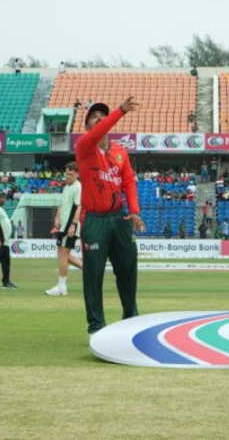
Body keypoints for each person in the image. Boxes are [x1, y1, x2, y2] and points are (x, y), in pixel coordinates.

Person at [75, 97, 145, 335]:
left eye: (102, 116)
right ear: (86, 128)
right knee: (93, 276)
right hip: (94, 220)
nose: (99, 119)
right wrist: (120, 111)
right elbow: (100, 130)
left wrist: (134, 211)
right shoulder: (84, 147)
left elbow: (128, 182)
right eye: (93, 117)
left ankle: (130, 320)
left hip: (119, 219)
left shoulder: (119, 153)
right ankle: (96, 326)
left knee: (128, 269)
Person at [46, 163, 84, 296]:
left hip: (69, 227)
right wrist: (57, 217)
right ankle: (91, 272)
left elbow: (78, 207)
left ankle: (62, 287)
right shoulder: (67, 187)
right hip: (63, 226)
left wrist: (73, 225)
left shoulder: (78, 187)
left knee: (62, 254)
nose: (68, 176)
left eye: (71, 174)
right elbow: (62, 205)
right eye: (67, 173)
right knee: (63, 254)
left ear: (77, 174)